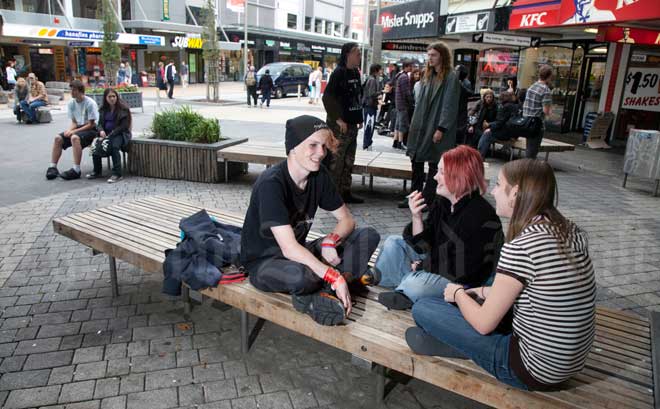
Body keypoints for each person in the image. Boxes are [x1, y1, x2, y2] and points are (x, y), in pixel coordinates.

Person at [406, 159, 596, 391]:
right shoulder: (570, 230)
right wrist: (482, 291)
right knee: (475, 298)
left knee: (424, 308)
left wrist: (457, 294)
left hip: (530, 369)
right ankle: (457, 339)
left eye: (498, 184)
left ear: (515, 193)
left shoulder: (522, 246)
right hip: (571, 364)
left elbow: (485, 324)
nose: (493, 191)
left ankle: (461, 348)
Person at [240, 115, 381, 326]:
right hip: (265, 262)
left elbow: (347, 220)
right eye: (313, 145)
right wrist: (333, 276)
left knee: (368, 235)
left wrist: (329, 241)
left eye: (324, 146)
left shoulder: (318, 176)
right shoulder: (271, 183)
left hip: (301, 250)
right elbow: (288, 249)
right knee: (303, 277)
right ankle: (344, 280)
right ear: (293, 147)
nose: (321, 153)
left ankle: (324, 295)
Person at [375, 145, 503, 310]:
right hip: (438, 265)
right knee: (393, 242)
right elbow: (423, 246)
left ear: (460, 176)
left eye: (441, 172)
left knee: (417, 284)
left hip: (462, 283)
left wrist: (424, 267)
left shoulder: (481, 216)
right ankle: (403, 286)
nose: (435, 177)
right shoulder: (443, 202)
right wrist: (416, 217)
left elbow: (463, 271)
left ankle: (403, 285)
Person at [400, 42, 460, 209]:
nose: (430, 58)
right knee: (416, 160)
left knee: (435, 163)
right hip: (421, 124)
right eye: (429, 55)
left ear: (442, 56)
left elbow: (449, 105)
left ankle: (428, 199)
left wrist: (441, 128)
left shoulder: (450, 77)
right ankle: (414, 196)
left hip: (436, 125)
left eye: (433, 55)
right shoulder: (428, 74)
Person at [322, 42, 364, 204]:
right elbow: (327, 98)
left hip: (352, 124)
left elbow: (356, 97)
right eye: (357, 53)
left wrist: (358, 118)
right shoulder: (339, 73)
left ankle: (345, 192)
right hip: (339, 125)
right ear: (348, 54)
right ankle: (331, 196)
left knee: (349, 160)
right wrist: (338, 119)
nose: (360, 56)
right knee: (336, 162)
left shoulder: (355, 72)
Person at [46, 80, 99, 181]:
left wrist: (73, 132)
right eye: (71, 90)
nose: (71, 92)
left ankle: (76, 169)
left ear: (80, 91)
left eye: (74, 90)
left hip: (91, 130)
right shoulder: (71, 103)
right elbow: (74, 122)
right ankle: (53, 167)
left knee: (74, 138)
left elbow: (91, 124)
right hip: (78, 128)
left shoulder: (90, 103)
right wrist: (69, 130)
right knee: (58, 138)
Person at [86, 88, 132, 183]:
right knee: (95, 144)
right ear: (105, 98)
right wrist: (101, 130)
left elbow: (124, 126)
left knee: (115, 146)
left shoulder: (123, 109)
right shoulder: (103, 109)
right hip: (106, 134)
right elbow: (98, 124)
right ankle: (97, 171)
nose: (112, 98)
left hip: (120, 134)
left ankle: (117, 173)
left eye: (114, 96)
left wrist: (112, 133)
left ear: (117, 97)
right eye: (109, 96)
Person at [522, 65, 553, 159]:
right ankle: (527, 171)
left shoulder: (532, 86)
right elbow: (546, 111)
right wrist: (551, 111)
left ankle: (526, 169)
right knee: (532, 151)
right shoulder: (545, 90)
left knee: (529, 149)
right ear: (549, 76)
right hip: (537, 124)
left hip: (527, 121)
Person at [477, 91, 521, 158]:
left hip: (506, 133)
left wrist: (489, 125)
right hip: (515, 133)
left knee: (486, 134)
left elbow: (499, 123)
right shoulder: (516, 106)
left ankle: (480, 156)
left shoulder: (504, 107)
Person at [393, 61, 414, 150]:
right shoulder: (405, 77)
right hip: (403, 104)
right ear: (406, 67)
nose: (411, 68)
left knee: (398, 123)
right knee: (402, 124)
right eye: (410, 66)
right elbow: (406, 92)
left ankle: (395, 141)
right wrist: (411, 101)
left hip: (398, 103)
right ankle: (400, 143)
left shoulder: (399, 76)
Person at [361, 64, 382, 151]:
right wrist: (381, 92)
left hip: (368, 105)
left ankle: (367, 143)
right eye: (380, 70)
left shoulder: (369, 78)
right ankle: (367, 143)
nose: (381, 71)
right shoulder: (372, 80)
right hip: (370, 106)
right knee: (370, 125)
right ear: (376, 70)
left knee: (369, 125)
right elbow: (371, 94)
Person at [455, 65, 472, 146]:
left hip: (461, 107)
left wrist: (461, 86)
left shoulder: (466, 83)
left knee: (460, 127)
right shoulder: (454, 80)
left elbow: (469, 93)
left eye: (457, 71)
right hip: (454, 107)